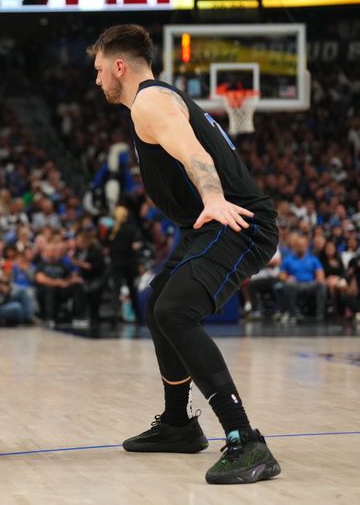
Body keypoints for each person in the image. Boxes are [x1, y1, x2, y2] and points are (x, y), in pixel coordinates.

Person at [89, 24, 280, 484]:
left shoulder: (151, 102)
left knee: (175, 310)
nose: (96, 81)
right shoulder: (155, 101)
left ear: (120, 67)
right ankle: (178, 425)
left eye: (99, 70)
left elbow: (195, 154)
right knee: (157, 303)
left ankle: (245, 440)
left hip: (235, 221)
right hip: (207, 227)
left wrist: (212, 198)